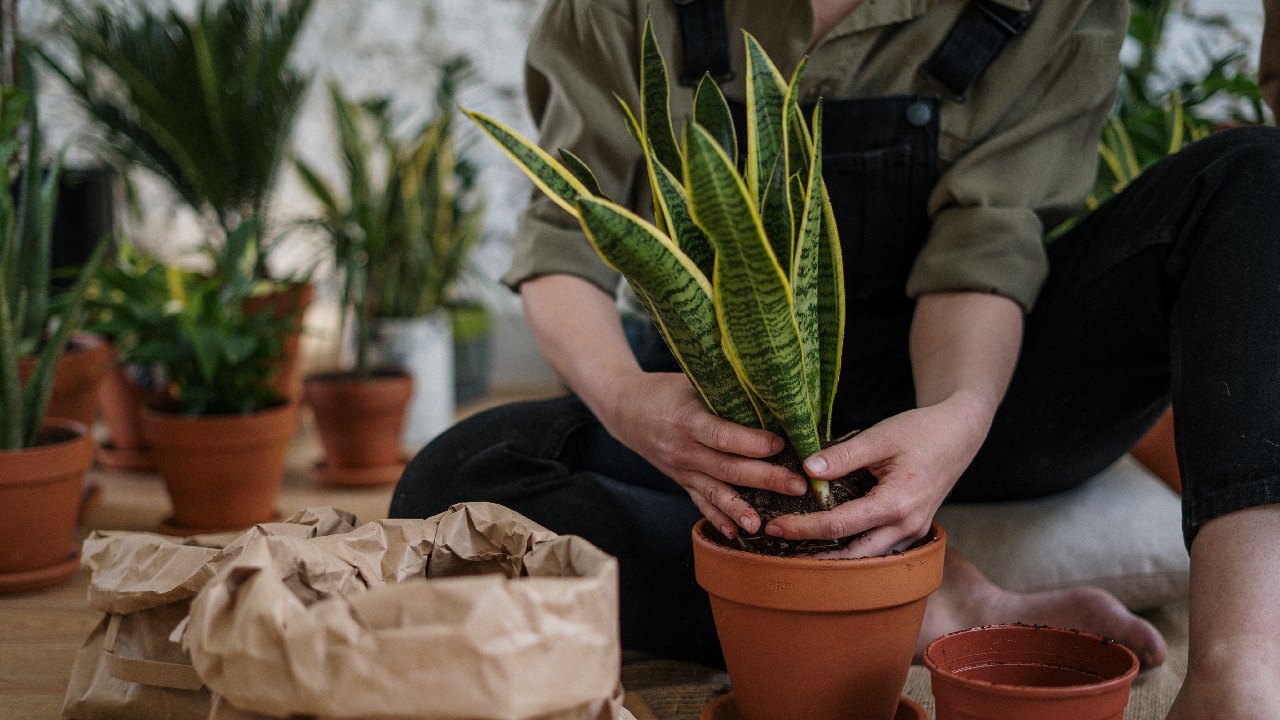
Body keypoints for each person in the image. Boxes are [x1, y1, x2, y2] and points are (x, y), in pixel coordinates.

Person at [390, 1, 1280, 717]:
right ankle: (929, 603)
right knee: (455, 481)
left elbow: (984, 245)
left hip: (984, 393)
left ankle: (1240, 670)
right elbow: (566, 242)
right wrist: (630, 401)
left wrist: (958, 417)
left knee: (1252, 176)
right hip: (737, 428)